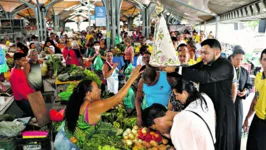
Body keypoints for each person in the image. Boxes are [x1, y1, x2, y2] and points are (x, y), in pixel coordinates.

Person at [163, 39, 235, 150]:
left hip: (222, 110)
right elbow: (190, 70)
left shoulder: (225, 65)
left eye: (205, 53)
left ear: (217, 52)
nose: (202, 56)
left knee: (221, 142)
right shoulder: (205, 63)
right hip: (207, 108)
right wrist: (170, 69)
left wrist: (177, 69)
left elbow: (205, 77)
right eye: (201, 53)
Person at [54, 65, 142, 150]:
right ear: (89, 93)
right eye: (97, 89)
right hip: (67, 145)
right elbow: (118, 98)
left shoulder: (78, 101)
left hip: (63, 136)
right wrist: (132, 78)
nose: (100, 90)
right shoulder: (92, 107)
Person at [142, 78, 216, 150]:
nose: (160, 132)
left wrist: (175, 136)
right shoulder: (204, 98)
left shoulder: (178, 127)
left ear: (157, 120)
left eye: (156, 128)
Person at [243, 49, 266, 150]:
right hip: (258, 119)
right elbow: (256, 99)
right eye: (265, 59)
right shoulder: (258, 77)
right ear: (260, 60)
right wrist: (247, 118)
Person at [230, 48, 253, 150]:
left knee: (237, 128)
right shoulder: (226, 71)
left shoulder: (244, 72)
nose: (239, 62)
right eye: (237, 59)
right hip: (227, 102)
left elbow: (249, 85)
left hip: (238, 104)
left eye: (241, 59)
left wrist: (245, 91)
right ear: (232, 58)